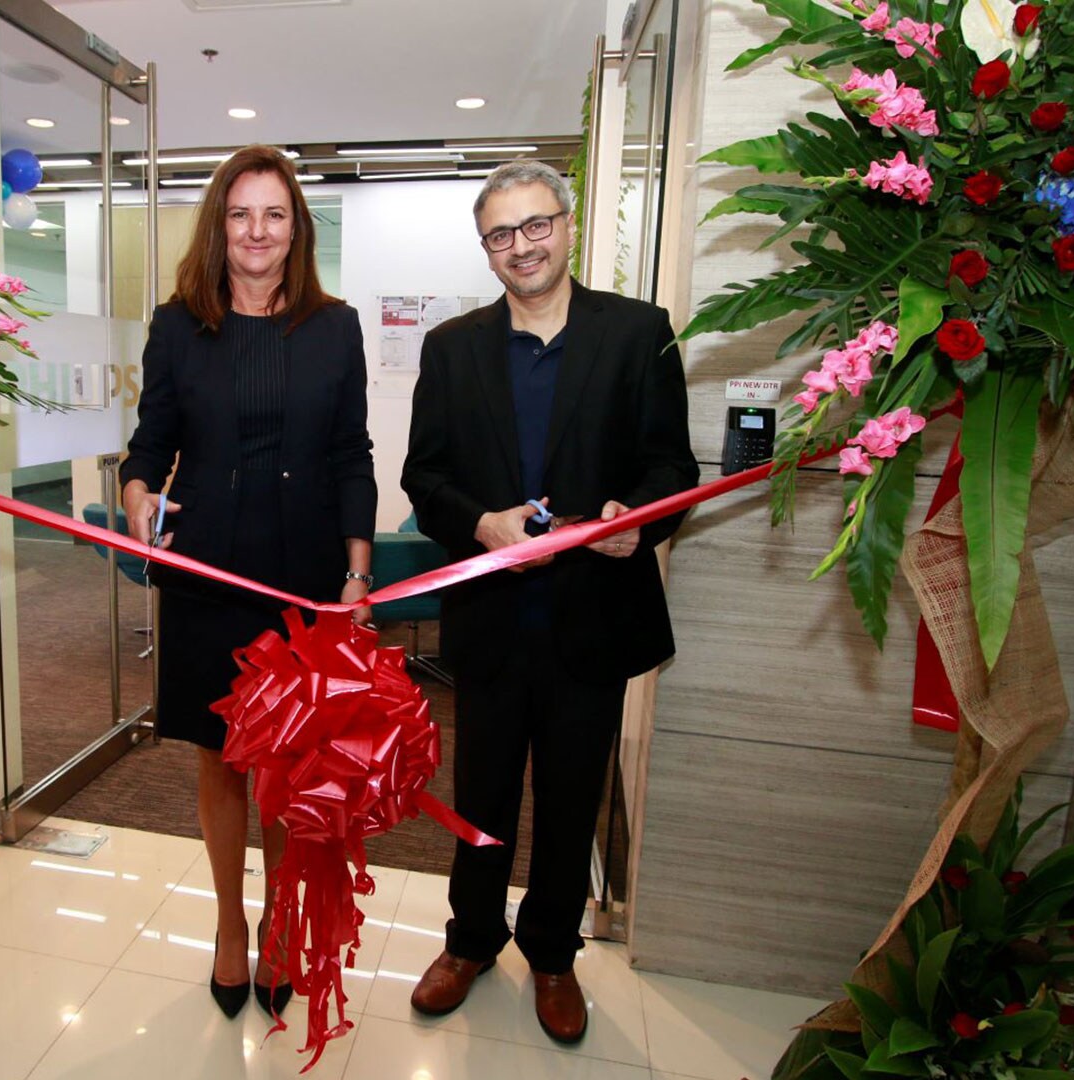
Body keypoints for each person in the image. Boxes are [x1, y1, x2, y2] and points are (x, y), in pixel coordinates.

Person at [400, 159, 698, 1043]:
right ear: (485, 248)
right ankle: (470, 941)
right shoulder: (453, 347)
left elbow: (671, 468)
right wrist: (482, 525)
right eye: (500, 233)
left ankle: (556, 954)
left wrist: (637, 522)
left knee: (571, 802)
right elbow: (425, 475)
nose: (520, 246)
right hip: (492, 619)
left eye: (535, 226)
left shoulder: (639, 332)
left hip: (593, 619)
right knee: (481, 796)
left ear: (568, 227)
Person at [119, 145, 377, 1020]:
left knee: (285, 768)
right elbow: (150, 443)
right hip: (206, 573)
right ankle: (230, 924)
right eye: (240, 214)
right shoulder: (178, 325)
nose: (256, 231)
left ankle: (277, 923)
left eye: (273, 214)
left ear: (295, 227)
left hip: (298, 580)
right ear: (218, 227)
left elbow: (352, 455)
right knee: (221, 758)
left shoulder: (334, 326)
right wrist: (136, 493)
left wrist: (356, 571)